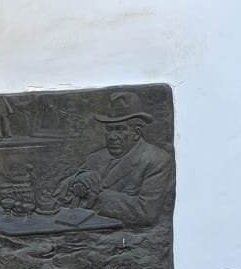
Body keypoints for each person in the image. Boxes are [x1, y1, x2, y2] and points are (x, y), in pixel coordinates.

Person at [56, 90, 174, 227]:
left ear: (136, 133)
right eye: (109, 129)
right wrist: (78, 180)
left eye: (119, 129)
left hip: (126, 240)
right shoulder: (95, 158)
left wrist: (94, 195)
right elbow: (59, 195)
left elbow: (146, 213)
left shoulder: (156, 159)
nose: (112, 136)